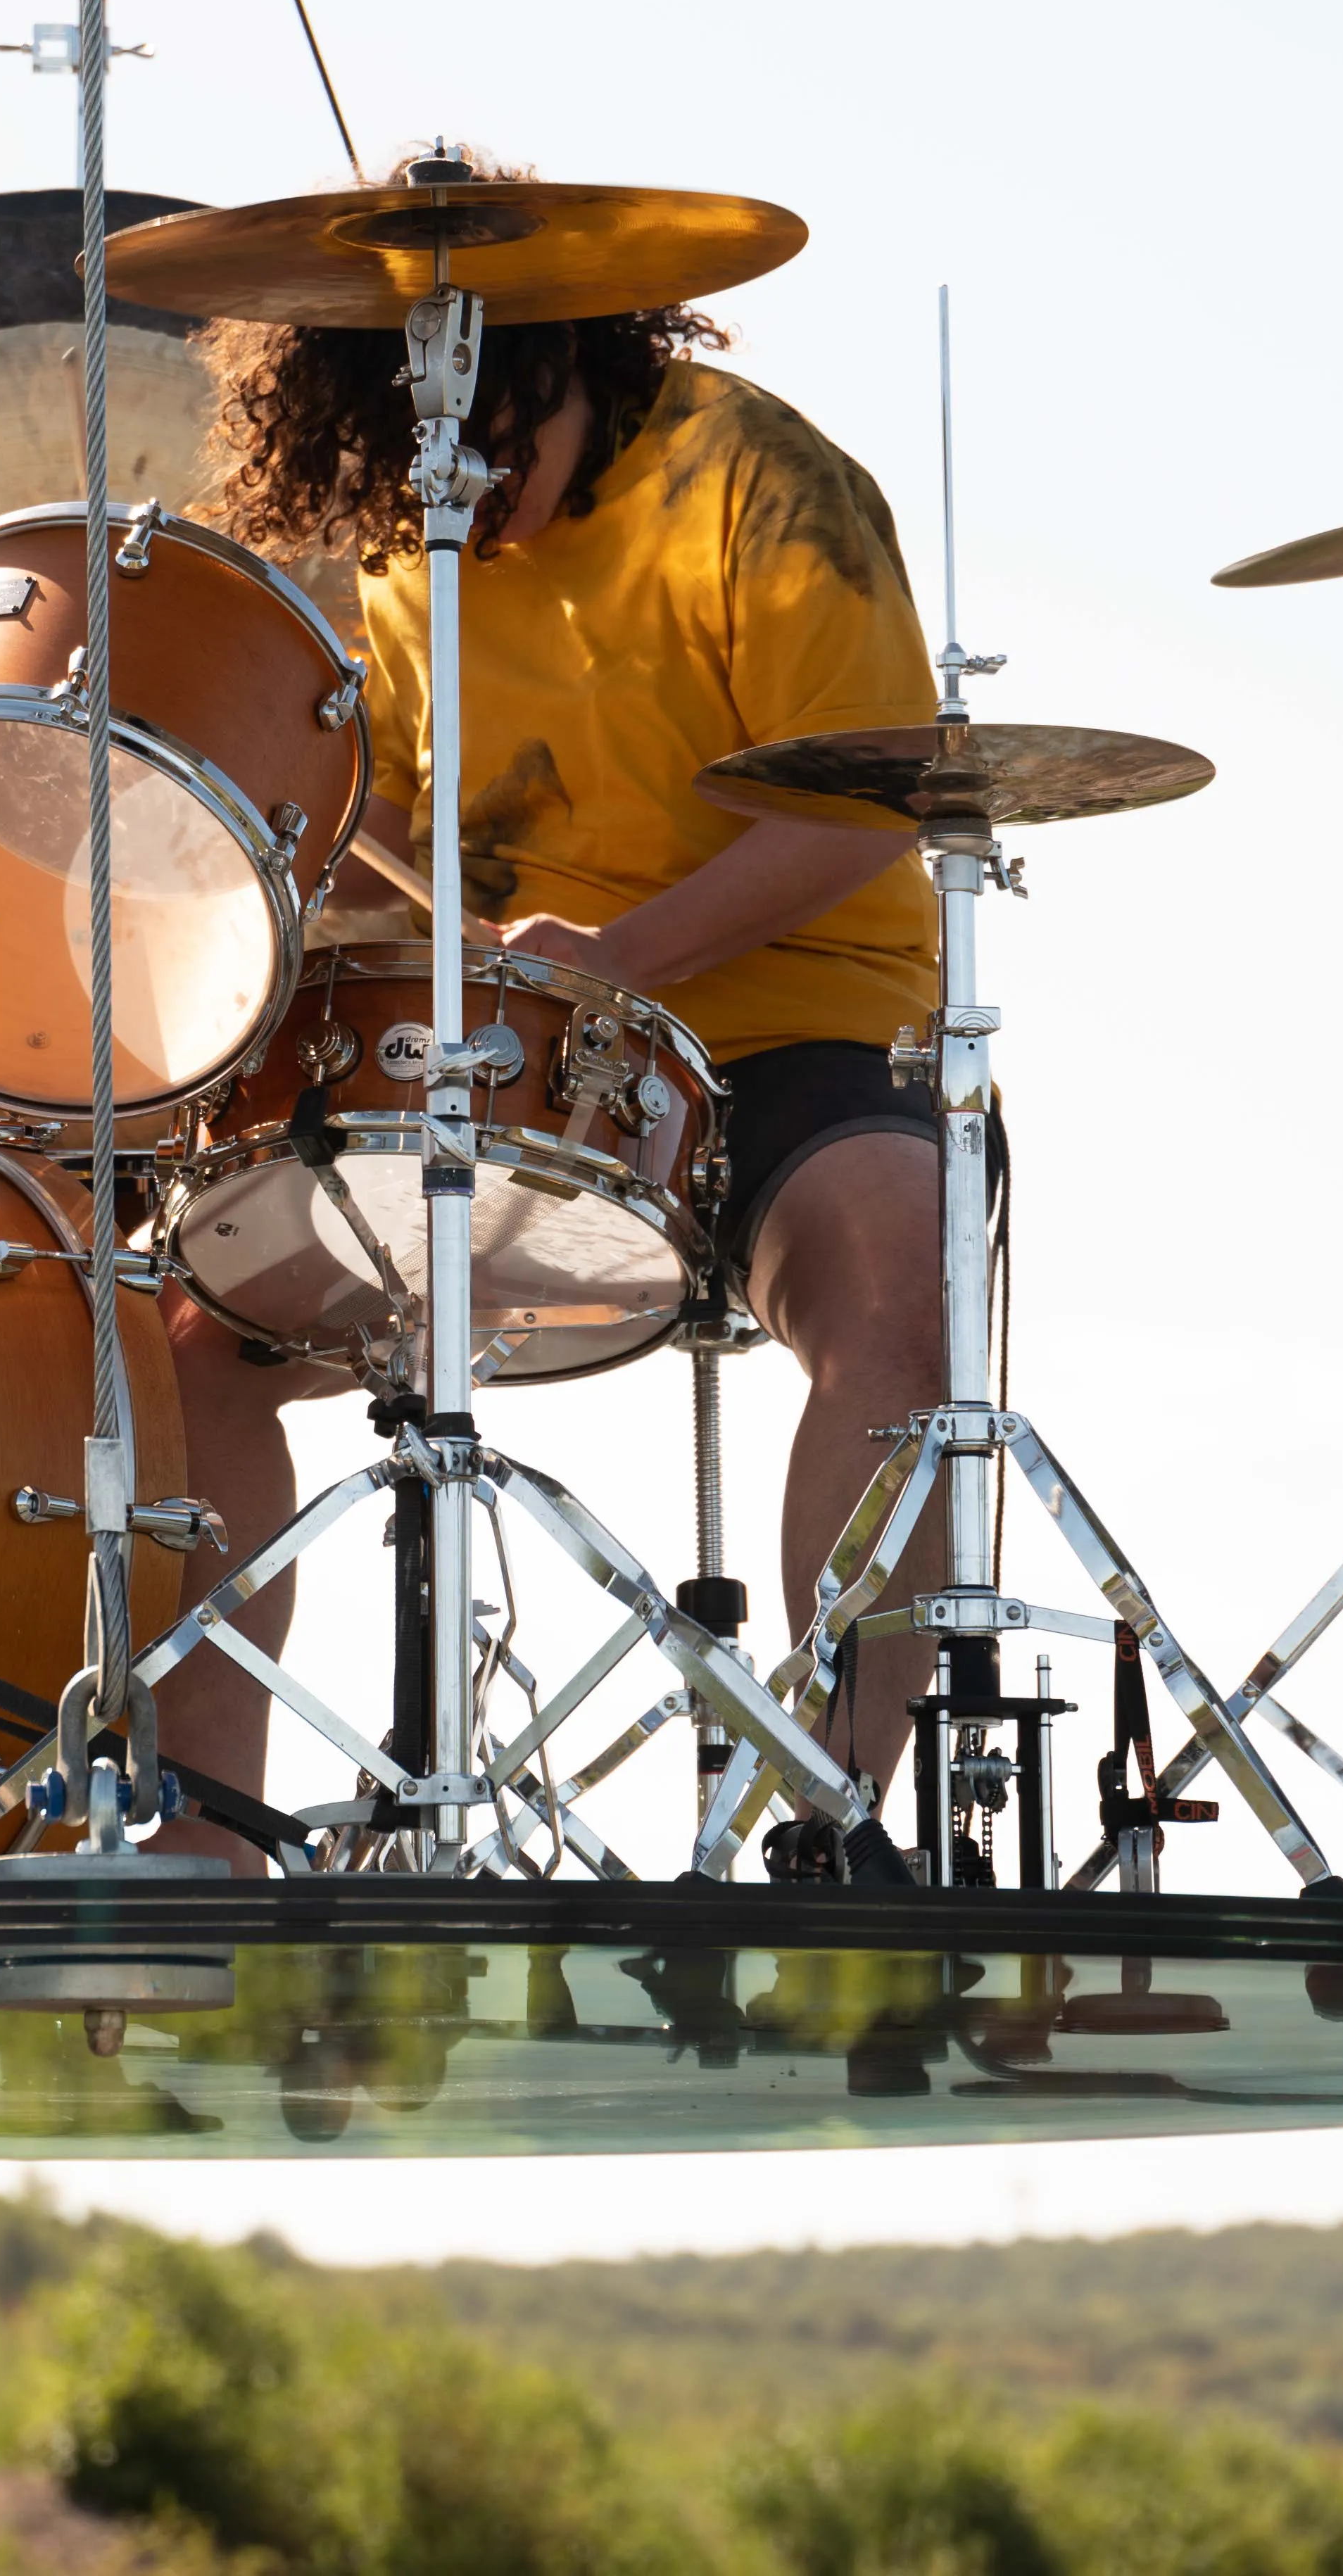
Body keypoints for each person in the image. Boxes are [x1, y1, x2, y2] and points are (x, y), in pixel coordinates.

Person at [156, 159, 982, 1864]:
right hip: (515, 1043)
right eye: (410, 461)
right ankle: (207, 1829)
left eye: (483, 446)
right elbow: (386, 832)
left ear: (559, 355)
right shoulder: (407, 546)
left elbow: (860, 806)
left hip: (787, 1026)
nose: (457, 492)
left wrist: (615, 956)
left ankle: (833, 1811)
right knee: (191, 1340)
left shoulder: (762, 479)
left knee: (903, 1309)